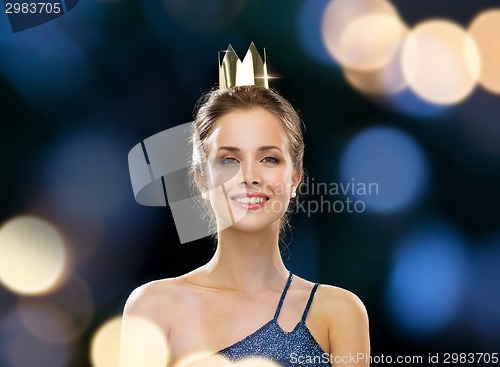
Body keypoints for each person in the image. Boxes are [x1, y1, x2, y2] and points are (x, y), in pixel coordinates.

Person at [121, 44, 370, 367]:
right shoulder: (154, 306)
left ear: (295, 176)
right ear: (201, 180)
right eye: (229, 160)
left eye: (268, 158)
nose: (250, 176)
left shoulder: (339, 312)